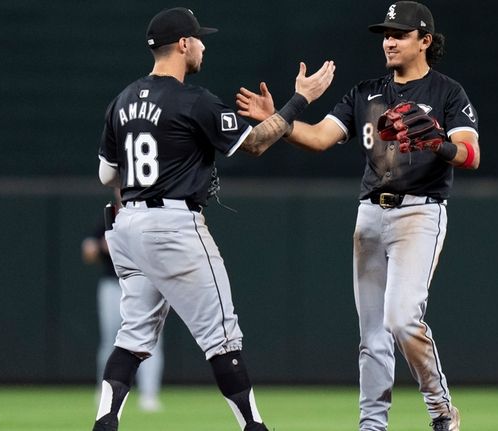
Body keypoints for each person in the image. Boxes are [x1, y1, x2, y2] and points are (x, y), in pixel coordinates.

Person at [236, 2, 479, 430]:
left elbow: (470, 154)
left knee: (402, 319)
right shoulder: (366, 92)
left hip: (419, 213)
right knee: (372, 338)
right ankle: (372, 425)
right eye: (386, 33)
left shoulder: (447, 93)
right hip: (369, 216)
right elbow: (318, 138)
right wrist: (280, 120)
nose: (388, 40)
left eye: (400, 33)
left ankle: (441, 410)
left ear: (425, 41)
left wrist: (438, 145)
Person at [91, 6, 335, 431]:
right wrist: (300, 101)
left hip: (127, 226)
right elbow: (256, 143)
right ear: (183, 44)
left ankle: (105, 421)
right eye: (199, 38)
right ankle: (254, 427)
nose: (203, 44)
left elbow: (107, 174)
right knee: (222, 335)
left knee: (132, 336)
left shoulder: (122, 99)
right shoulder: (194, 100)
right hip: (173, 225)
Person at [81, 209, 164, 413]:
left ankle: (149, 395)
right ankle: (105, 391)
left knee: (151, 341)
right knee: (111, 340)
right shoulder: (111, 214)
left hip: (146, 282)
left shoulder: (152, 212)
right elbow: (89, 250)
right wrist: (98, 246)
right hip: (114, 283)